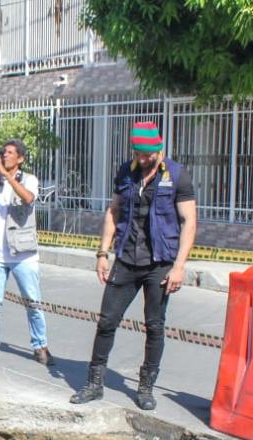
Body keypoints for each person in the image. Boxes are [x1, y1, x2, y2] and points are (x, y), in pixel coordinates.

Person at [70, 121, 197, 409]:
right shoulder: (126, 172)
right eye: (137, 153)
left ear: (158, 149)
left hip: (160, 263)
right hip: (127, 258)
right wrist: (103, 253)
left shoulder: (177, 175)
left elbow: (189, 221)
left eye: (146, 155)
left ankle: (145, 388)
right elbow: (114, 211)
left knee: (154, 326)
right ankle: (94, 384)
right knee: (106, 322)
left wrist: (179, 266)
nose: (141, 159)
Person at [0, 139, 53, 368]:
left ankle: (40, 346)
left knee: (33, 303)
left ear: (20, 158)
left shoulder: (29, 180)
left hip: (23, 254)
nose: (4, 156)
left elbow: (27, 198)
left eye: (8, 153)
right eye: (2, 153)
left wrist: (7, 176)